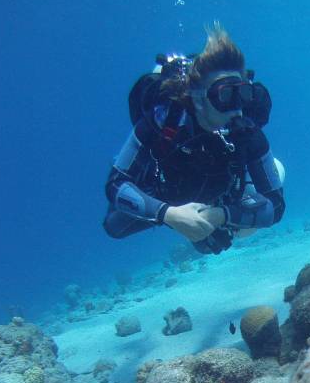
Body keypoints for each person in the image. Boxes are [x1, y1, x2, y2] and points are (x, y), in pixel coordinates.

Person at [103, 23, 285, 254]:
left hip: (221, 195)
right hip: (166, 192)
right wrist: (169, 214)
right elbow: (115, 184)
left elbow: (276, 206)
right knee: (115, 226)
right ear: (198, 99)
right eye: (225, 95)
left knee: (224, 239)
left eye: (242, 94)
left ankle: (219, 219)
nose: (236, 109)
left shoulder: (246, 131)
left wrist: (222, 215)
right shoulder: (165, 119)